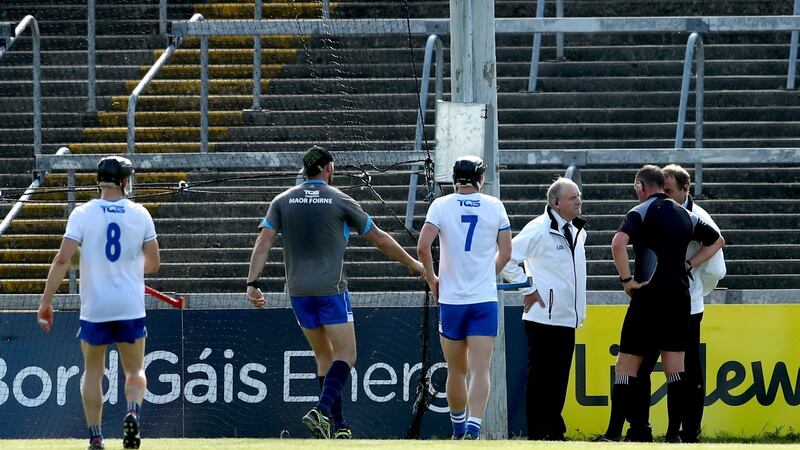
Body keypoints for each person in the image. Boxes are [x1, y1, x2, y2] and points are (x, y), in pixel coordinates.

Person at [246, 146, 425, 439]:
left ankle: (338, 427)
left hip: (299, 293)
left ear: (305, 170)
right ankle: (322, 410)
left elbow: (263, 242)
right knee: (347, 354)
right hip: (330, 290)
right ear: (328, 168)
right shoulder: (340, 199)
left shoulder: (282, 201)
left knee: (324, 357)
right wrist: (414, 263)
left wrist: (252, 282)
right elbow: (379, 238)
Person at [37, 156, 160, 450]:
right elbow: (153, 264)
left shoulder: (82, 213)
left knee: (93, 372)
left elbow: (63, 259)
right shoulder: (140, 214)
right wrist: (126, 266)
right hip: (129, 305)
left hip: (95, 307)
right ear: (125, 181)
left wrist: (46, 301)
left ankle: (96, 437)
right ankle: (132, 412)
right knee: (134, 371)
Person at [597, 165, 726, 443]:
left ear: (641, 187)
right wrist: (689, 263)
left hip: (648, 297)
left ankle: (612, 433)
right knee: (676, 370)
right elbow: (718, 240)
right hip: (679, 299)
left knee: (626, 367)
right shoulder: (686, 214)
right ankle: (672, 436)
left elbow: (618, 243)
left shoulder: (639, 211)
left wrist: (627, 280)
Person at [417, 155, 513, 440]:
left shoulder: (441, 205)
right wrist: (487, 273)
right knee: (481, 368)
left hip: (452, 300)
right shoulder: (494, 206)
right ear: (480, 178)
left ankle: (458, 430)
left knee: (456, 370)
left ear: (455, 178)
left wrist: (433, 279)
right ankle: (473, 428)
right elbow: (506, 253)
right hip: (483, 300)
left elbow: (423, 247)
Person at [499, 177, 587, 441]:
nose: (579, 201)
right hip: (543, 317)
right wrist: (529, 289)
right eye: (573, 198)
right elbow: (505, 259)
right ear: (556, 202)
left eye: (579, 196)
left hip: (567, 318)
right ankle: (538, 433)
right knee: (541, 379)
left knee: (559, 379)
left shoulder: (577, 230)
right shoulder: (538, 229)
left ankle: (554, 431)